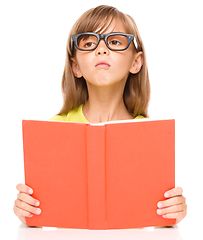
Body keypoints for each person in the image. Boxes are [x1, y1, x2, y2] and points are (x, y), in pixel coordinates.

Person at [13, 5, 187, 226]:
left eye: (114, 41)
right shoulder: (51, 131)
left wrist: (172, 211)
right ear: (76, 66)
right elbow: (38, 216)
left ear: (136, 62)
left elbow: (159, 219)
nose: (101, 49)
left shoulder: (150, 136)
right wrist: (26, 209)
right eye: (88, 43)